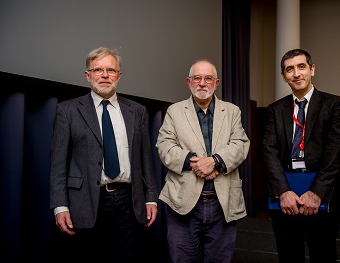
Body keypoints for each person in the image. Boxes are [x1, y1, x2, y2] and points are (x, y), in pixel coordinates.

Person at [49, 47, 159, 262]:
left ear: (119, 75)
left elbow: (146, 159)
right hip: (85, 201)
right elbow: (58, 163)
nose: (105, 75)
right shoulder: (68, 110)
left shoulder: (137, 110)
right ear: (88, 75)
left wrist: (151, 199)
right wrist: (59, 206)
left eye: (111, 69)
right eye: (98, 70)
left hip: (129, 199)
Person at [262, 48, 340, 262]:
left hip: (323, 193)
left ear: (312, 69)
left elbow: (335, 152)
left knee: (323, 255)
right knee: (288, 256)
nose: (296, 73)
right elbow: (268, 151)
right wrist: (283, 193)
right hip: (287, 196)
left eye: (301, 67)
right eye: (289, 69)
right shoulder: (275, 109)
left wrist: (316, 193)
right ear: (284, 77)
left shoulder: (334, 105)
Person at [156, 59, 250, 263]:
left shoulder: (232, 111)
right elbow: (164, 147)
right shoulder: (174, 111)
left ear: (216, 83)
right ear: (188, 82)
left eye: (208, 78)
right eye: (197, 78)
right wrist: (195, 163)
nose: (202, 83)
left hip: (221, 203)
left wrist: (215, 161)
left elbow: (240, 144)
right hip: (182, 203)